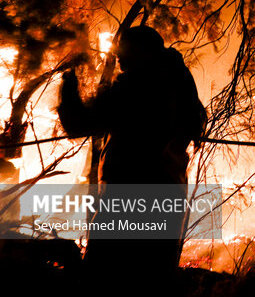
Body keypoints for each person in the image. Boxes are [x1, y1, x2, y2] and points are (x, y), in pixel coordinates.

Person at [58, 25, 205, 292]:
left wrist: (68, 87)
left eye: (123, 51)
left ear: (140, 51)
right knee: (153, 279)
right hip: (169, 192)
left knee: (106, 277)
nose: (119, 58)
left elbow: (78, 124)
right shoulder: (180, 82)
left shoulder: (138, 85)